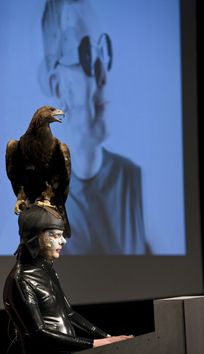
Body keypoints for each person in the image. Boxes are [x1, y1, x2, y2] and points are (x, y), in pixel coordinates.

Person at [39, 0, 150, 255]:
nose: (104, 76)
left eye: (104, 51)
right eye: (86, 54)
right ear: (58, 86)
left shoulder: (133, 181)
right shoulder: (37, 199)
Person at [3, 205, 133, 353]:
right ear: (34, 236)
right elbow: (38, 332)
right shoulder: (20, 279)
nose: (63, 241)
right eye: (55, 235)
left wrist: (108, 338)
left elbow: (69, 314)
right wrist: (95, 343)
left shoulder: (46, 270)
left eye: (61, 235)